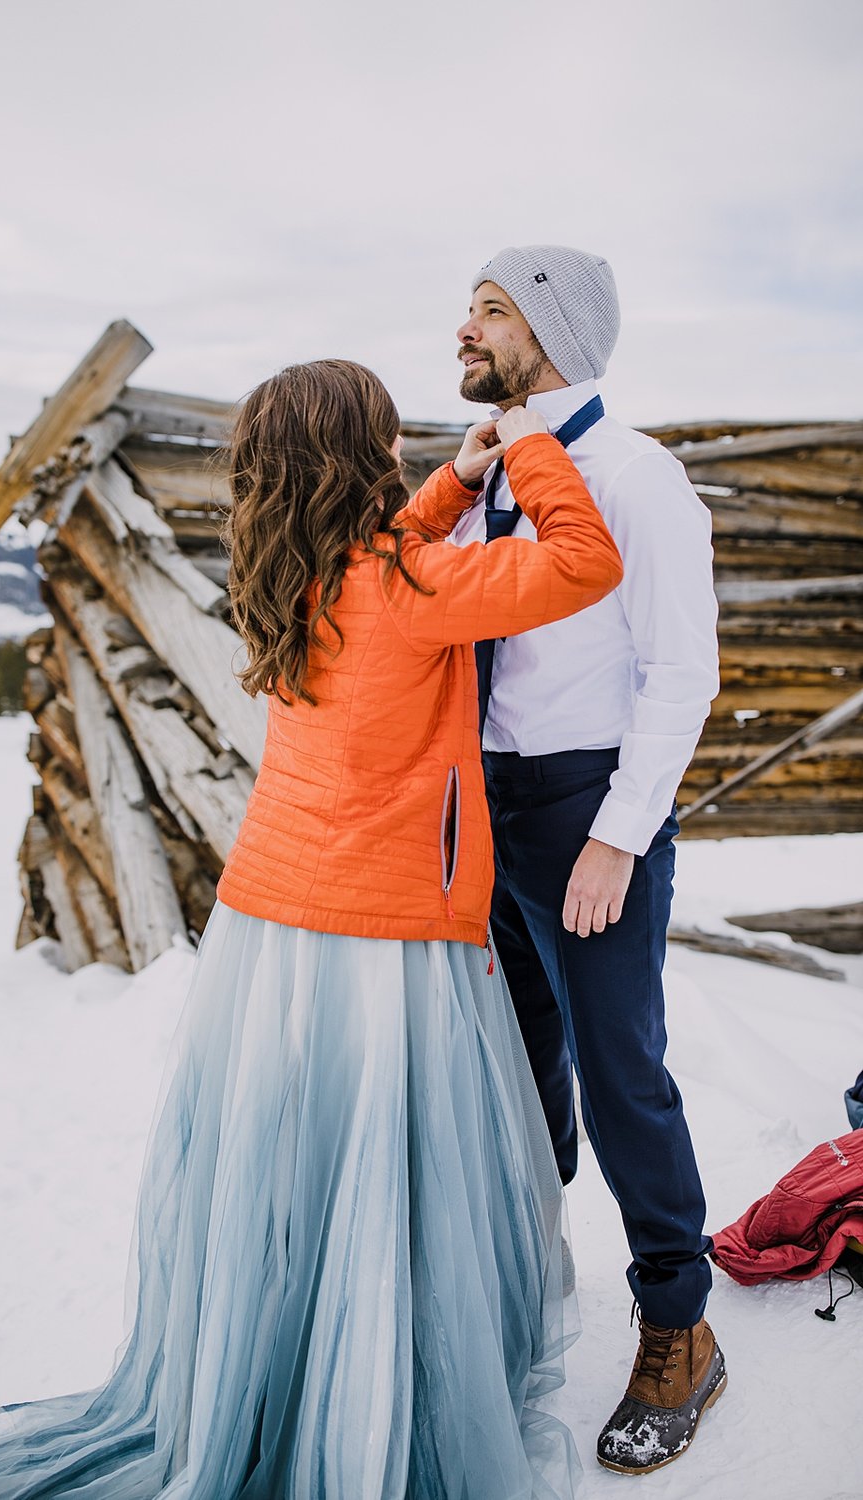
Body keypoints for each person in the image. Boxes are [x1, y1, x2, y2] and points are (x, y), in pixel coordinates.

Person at [0, 359, 622, 1500]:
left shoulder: (289, 573)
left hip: (273, 922)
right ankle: (366, 1399)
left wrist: (451, 490)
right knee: (384, 1171)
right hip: (384, 930)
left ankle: (287, 1371)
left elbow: (384, 564)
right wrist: (522, 444)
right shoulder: (410, 585)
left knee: (299, 1166)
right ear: (363, 463)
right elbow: (583, 561)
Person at [453, 245, 725, 1475]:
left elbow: (683, 673)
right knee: (513, 1071)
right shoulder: (483, 474)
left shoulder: (634, 475)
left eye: (491, 310)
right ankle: (526, 1285)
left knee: (621, 1077)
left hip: (588, 811)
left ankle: (679, 1327)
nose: (465, 327)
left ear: (550, 332)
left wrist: (617, 836)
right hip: (490, 812)